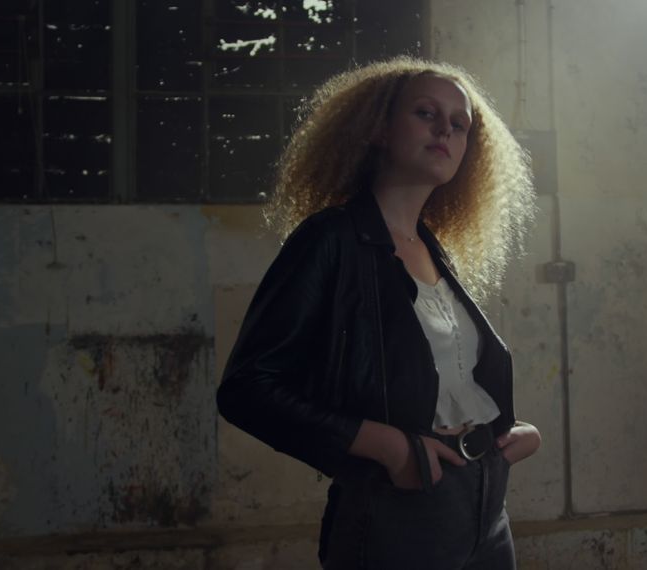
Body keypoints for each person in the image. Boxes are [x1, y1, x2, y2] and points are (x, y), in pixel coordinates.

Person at [216, 56, 541, 570]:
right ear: (378, 129)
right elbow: (247, 389)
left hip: (486, 510)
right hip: (399, 512)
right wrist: (388, 447)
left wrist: (505, 437)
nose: (446, 130)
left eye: (460, 125)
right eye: (426, 114)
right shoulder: (330, 238)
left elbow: (442, 384)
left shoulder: (436, 252)